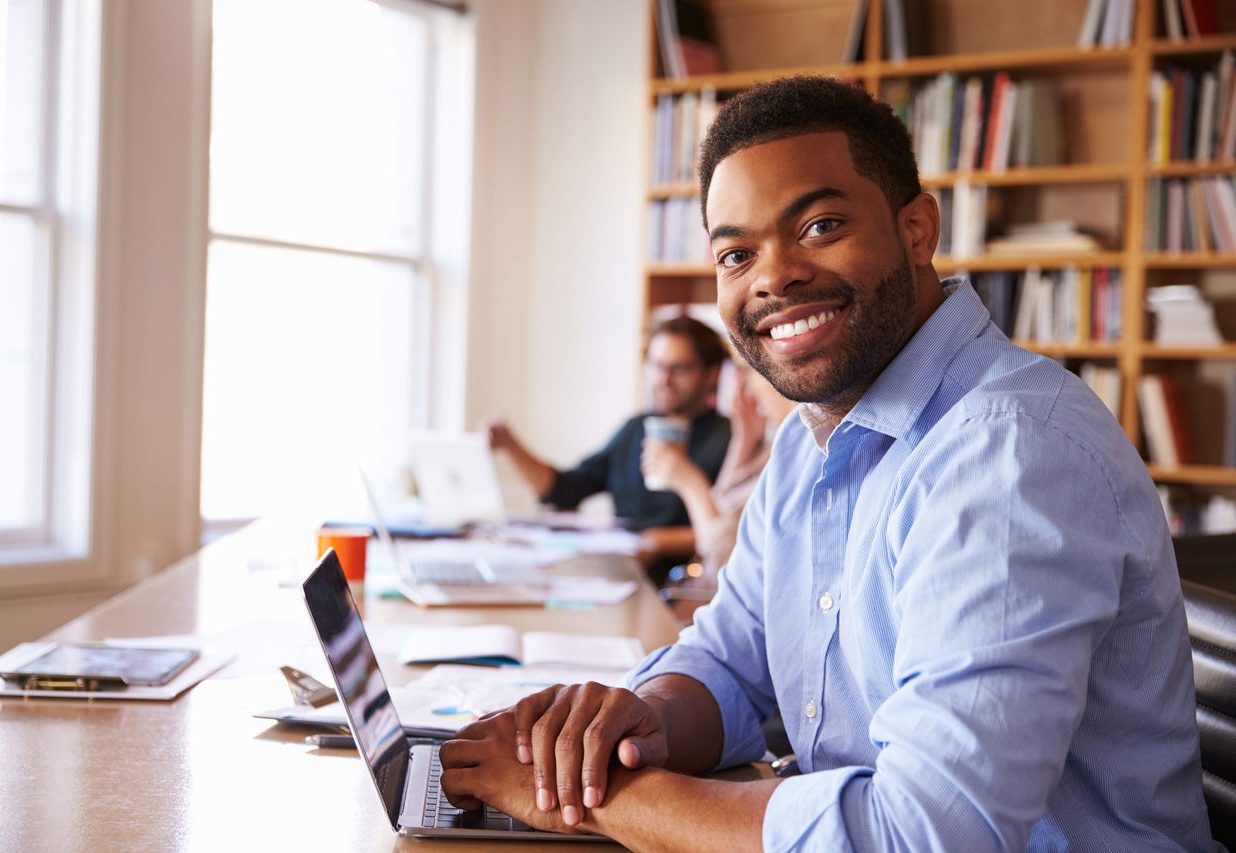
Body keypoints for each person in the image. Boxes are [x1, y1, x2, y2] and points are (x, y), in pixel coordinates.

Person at [438, 75, 1213, 851]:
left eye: (818, 225)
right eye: (736, 252)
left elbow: (924, 836)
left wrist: (591, 799)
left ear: (917, 229)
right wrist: (622, 732)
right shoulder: (810, 439)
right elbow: (732, 664)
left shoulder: (1009, 454)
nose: (773, 276)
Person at [487, 315, 731, 533]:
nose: (663, 379)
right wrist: (509, 445)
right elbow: (565, 491)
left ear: (713, 374)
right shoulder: (635, 429)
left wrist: (656, 543)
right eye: (656, 366)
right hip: (625, 573)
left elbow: (730, 532)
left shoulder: (731, 438)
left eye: (679, 369)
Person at [643, 366, 796, 620]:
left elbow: (724, 558)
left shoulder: (794, 456)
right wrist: (743, 437)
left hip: (719, 612)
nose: (745, 395)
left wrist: (690, 484)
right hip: (696, 604)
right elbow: (724, 504)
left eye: (753, 378)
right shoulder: (769, 449)